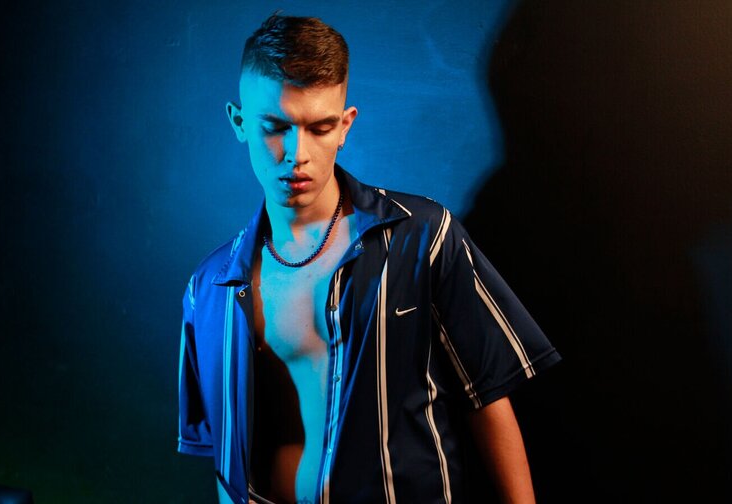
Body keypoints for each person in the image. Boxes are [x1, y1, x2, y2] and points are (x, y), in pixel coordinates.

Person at [177, 13, 561, 504]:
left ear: (345, 126)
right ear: (239, 122)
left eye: (320, 128)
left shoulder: (423, 237)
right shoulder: (208, 288)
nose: (297, 153)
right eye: (275, 126)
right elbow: (225, 457)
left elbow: (488, 399)